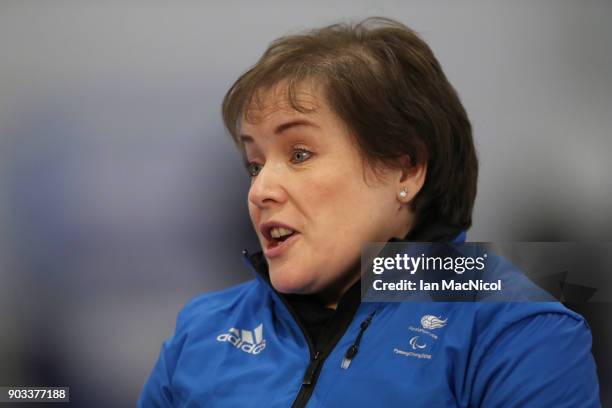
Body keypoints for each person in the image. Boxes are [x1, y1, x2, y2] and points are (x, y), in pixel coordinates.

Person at [138, 17, 600, 407]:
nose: (260, 190)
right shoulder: (201, 331)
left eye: (299, 154)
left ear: (406, 169)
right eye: (254, 165)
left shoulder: (519, 332)